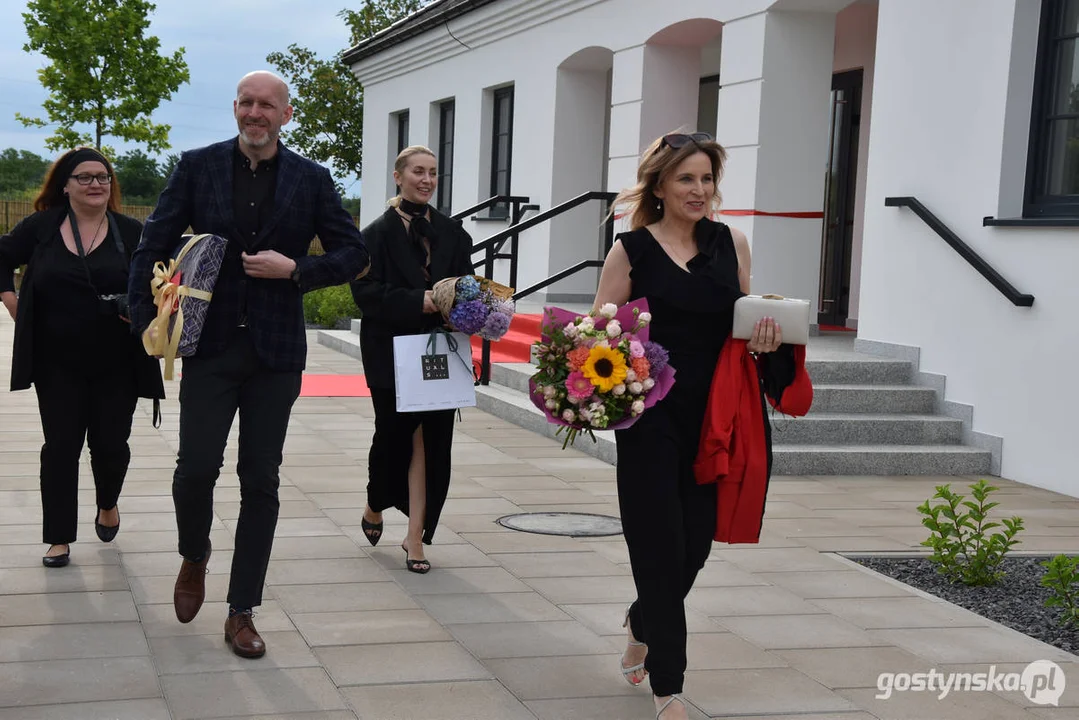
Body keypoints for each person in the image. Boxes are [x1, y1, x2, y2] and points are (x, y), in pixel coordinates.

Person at [128, 71, 369, 659]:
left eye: (267, 105)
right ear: (235, 107)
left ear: (287, 114)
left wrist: (297, 271)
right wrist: (145, 321)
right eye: (246, 103)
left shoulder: (312, 179)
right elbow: (151, 244)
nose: (255, 113)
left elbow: (353, 253)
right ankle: (194, 556)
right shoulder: (197, 165)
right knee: (195, 470)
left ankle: (242, 609)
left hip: (276, 354)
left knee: (261, 478)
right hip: (209, 348)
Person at [591, 131, 794, 719]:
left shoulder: (733, 242)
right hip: (651, 416)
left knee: (696, 543)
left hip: (717, 416)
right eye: (687, 179)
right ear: (659, 184)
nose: (700, 190)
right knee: (658, 546)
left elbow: (747, 319)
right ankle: (668, 688)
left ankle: (640, 617)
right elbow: (599, 334)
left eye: (707, 179)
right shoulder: (630, 251)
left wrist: (767, 342)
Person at [0, 147, 165, 568]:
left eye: (103, 177)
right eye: (85, 177)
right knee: (60, 446)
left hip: (118, 361)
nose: (96, 184)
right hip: (57, 362)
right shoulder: (41, 226)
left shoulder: (131, 232)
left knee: (111, 445)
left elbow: (161, 280)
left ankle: (107, 502)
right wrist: (11, 301)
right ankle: (58, 537)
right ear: (66, 185)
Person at [349, 145, 474, 574]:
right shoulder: (373, 235)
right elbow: (364, 295)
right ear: (398, 177)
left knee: (435, 444)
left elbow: (468, 287)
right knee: (394, 438)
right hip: (389, 352)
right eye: (418, 171)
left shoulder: (454, 234)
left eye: (433, 173)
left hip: (440, 350)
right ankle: (374, 501)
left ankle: (416, 535)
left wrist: (472, 311)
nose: (426, 179)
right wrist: (417, 300)